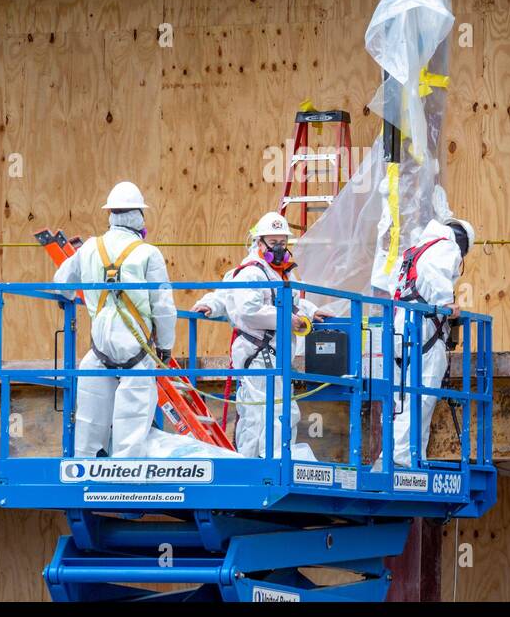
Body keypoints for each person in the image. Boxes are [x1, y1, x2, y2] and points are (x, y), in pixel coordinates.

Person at [52, 181, 175, 458]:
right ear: (138, 217)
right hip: (136, 350)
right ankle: (125, 482)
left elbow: (62, 282)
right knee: (131, 426)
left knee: (89, 422)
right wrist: (165, 347)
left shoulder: (91, 248)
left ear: (111, 215)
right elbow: (163, 305)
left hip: (99, 349)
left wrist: (69, 296)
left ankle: (83, 474)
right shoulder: (147, 253)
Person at [194, 212, 327, 459]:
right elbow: (249, 310)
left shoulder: (281, 273)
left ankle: (259, 463)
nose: (278, 248)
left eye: (282, 243)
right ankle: (270, 465)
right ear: (259, 242)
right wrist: (289, 320)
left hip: (274, 357)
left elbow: (293, 302)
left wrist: (312, 311)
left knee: (267, 413)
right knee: (270, 413)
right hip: (260, 355)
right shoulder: (251, 272)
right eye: (273, 243)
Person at [388, 216, 475, 468]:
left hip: (401, 325)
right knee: (422, 394)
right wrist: (446, 302)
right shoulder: (445, 247)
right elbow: (434, 273)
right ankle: (404, 459)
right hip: (423, 328)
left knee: (403, 397)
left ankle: (402, 454)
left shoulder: (413, 252)